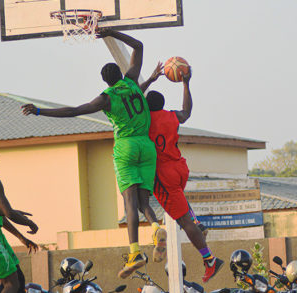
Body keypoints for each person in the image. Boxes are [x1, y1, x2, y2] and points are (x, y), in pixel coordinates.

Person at [20, 29, 160, 278]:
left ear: (105, 81)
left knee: (130, 203)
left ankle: (135, 251)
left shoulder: (106, 98)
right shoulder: (132, 81)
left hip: (126, 146)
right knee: (144, 203)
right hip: (147, 146)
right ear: (120, 72)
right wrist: (111, 33)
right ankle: (158, 227)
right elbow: (138, 45)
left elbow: (74, 111)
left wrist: (40, 111)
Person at [143, 66, 223, 282]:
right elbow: (186, 111)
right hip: (180, 167)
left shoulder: (144, 120)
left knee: (182, 221)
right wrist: (186, 83)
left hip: (164, 174)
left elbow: (135, 100)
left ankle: (210, 260)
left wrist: (149, 79)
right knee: (179, 202)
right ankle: (196, 223)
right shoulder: (170, 116)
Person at [0, 148, 40, 293]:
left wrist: (21, 238)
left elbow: (1, 214)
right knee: (12, 284)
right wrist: (29, 222)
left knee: (17, 279)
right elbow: (8, 213)